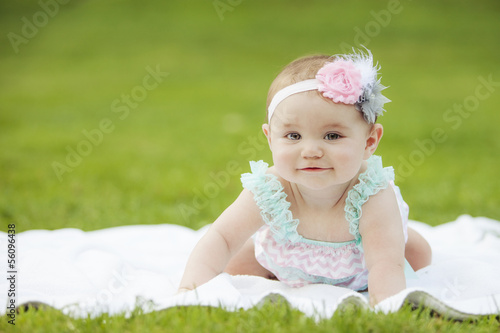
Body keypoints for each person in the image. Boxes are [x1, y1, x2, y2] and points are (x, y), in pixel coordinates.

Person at [178, 49, 432, 305]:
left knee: (417, 257)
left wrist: (386, 307)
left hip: (361, 270)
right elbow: (221, 236)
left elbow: (384, 263)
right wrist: (190, 292)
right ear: (270, 138)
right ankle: (274, 268)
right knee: (234, 262)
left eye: (332, 136)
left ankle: (399, 232)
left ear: (369, 141)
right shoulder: (270, 190)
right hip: (284, 266)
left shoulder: (371, 193)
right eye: (293, 136)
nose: (311, 151)